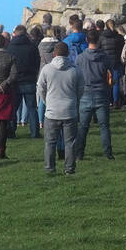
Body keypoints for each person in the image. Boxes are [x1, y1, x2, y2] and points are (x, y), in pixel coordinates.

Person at [38, 42, 82, 174]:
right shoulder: (75, 69)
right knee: (70, 142)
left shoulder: (47, 69)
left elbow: (40, 88)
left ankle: (50, 168)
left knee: (50, 142)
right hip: (69, 109)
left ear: (54, 54)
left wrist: (46, 101)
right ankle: (69, 168)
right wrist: (75, 101)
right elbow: (81, 89)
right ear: (68, 54)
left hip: (52, 110)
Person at [75, 30, 114, 160]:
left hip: (85, 92)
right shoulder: (105, 58)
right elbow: (109, 74)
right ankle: (108, 153)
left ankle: (79, 153)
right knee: (104, 126)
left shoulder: (80, 58)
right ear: (99, 41)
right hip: (101, 91)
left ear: (87, 40)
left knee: (83, 126)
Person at [7, 24, 41, 139]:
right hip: (29, 80)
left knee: (13, 108)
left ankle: (11, 132)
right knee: (32, 108)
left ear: (15, 34)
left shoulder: (10, 47)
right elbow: (37, 63)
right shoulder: (32, 47)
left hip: (15, 81)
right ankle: (35, 132)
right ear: (25, 33)